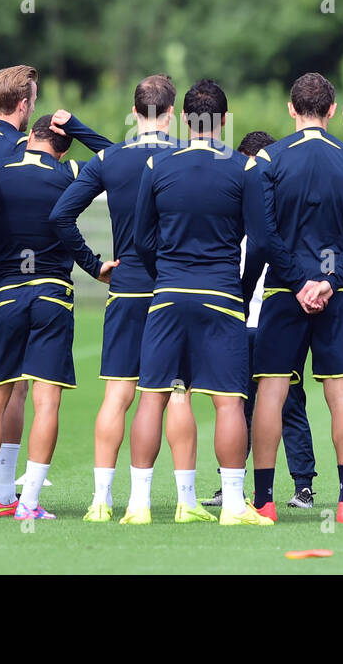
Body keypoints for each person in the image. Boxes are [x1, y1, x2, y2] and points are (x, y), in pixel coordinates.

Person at [47, 74, 201, 522]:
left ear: (135, 112)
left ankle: (100, 502)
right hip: (172, 288)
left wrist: (93, 265)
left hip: (127, 286)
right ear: (172, 112)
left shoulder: (111, 159)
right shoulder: (182, 156)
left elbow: (61, 215)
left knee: (118, 395)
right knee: (177, 394)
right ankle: (186, 502)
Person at [126, 80, 272, 526]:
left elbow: (140, 239)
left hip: (168, 295)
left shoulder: (156, 162)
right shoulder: (243, 169)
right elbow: (262, 241)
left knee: (151, 397)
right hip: (222, 294)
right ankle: (231, 506)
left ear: (185, 120)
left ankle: (139, 505)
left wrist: (167, 273)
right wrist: (241, 290)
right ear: (225, 122)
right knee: (228, 402)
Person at [0, 65, 109, 512]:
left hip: (4, 294)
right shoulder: (69, 171)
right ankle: (29, 501)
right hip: (52, 295)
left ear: (29, 136)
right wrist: (78, 128)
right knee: (45, 399)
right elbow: (119, 157)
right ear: (60, 145)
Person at [250, 72, 343, 524]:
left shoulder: (268, 158)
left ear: (291, 109)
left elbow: (262, 235)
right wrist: (330, 278)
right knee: (342, 394)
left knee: (271, 393)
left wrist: (298, 281)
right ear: (329, 110)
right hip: (336, 296)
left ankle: (263, 501)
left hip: (284, 293)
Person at [204, 130, 318, 511]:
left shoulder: (279, 218)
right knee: (237, 403)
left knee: (289, 401)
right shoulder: (228, 214)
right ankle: (231, 483)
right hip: (237, 322)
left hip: (273, 318)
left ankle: (303, 484)